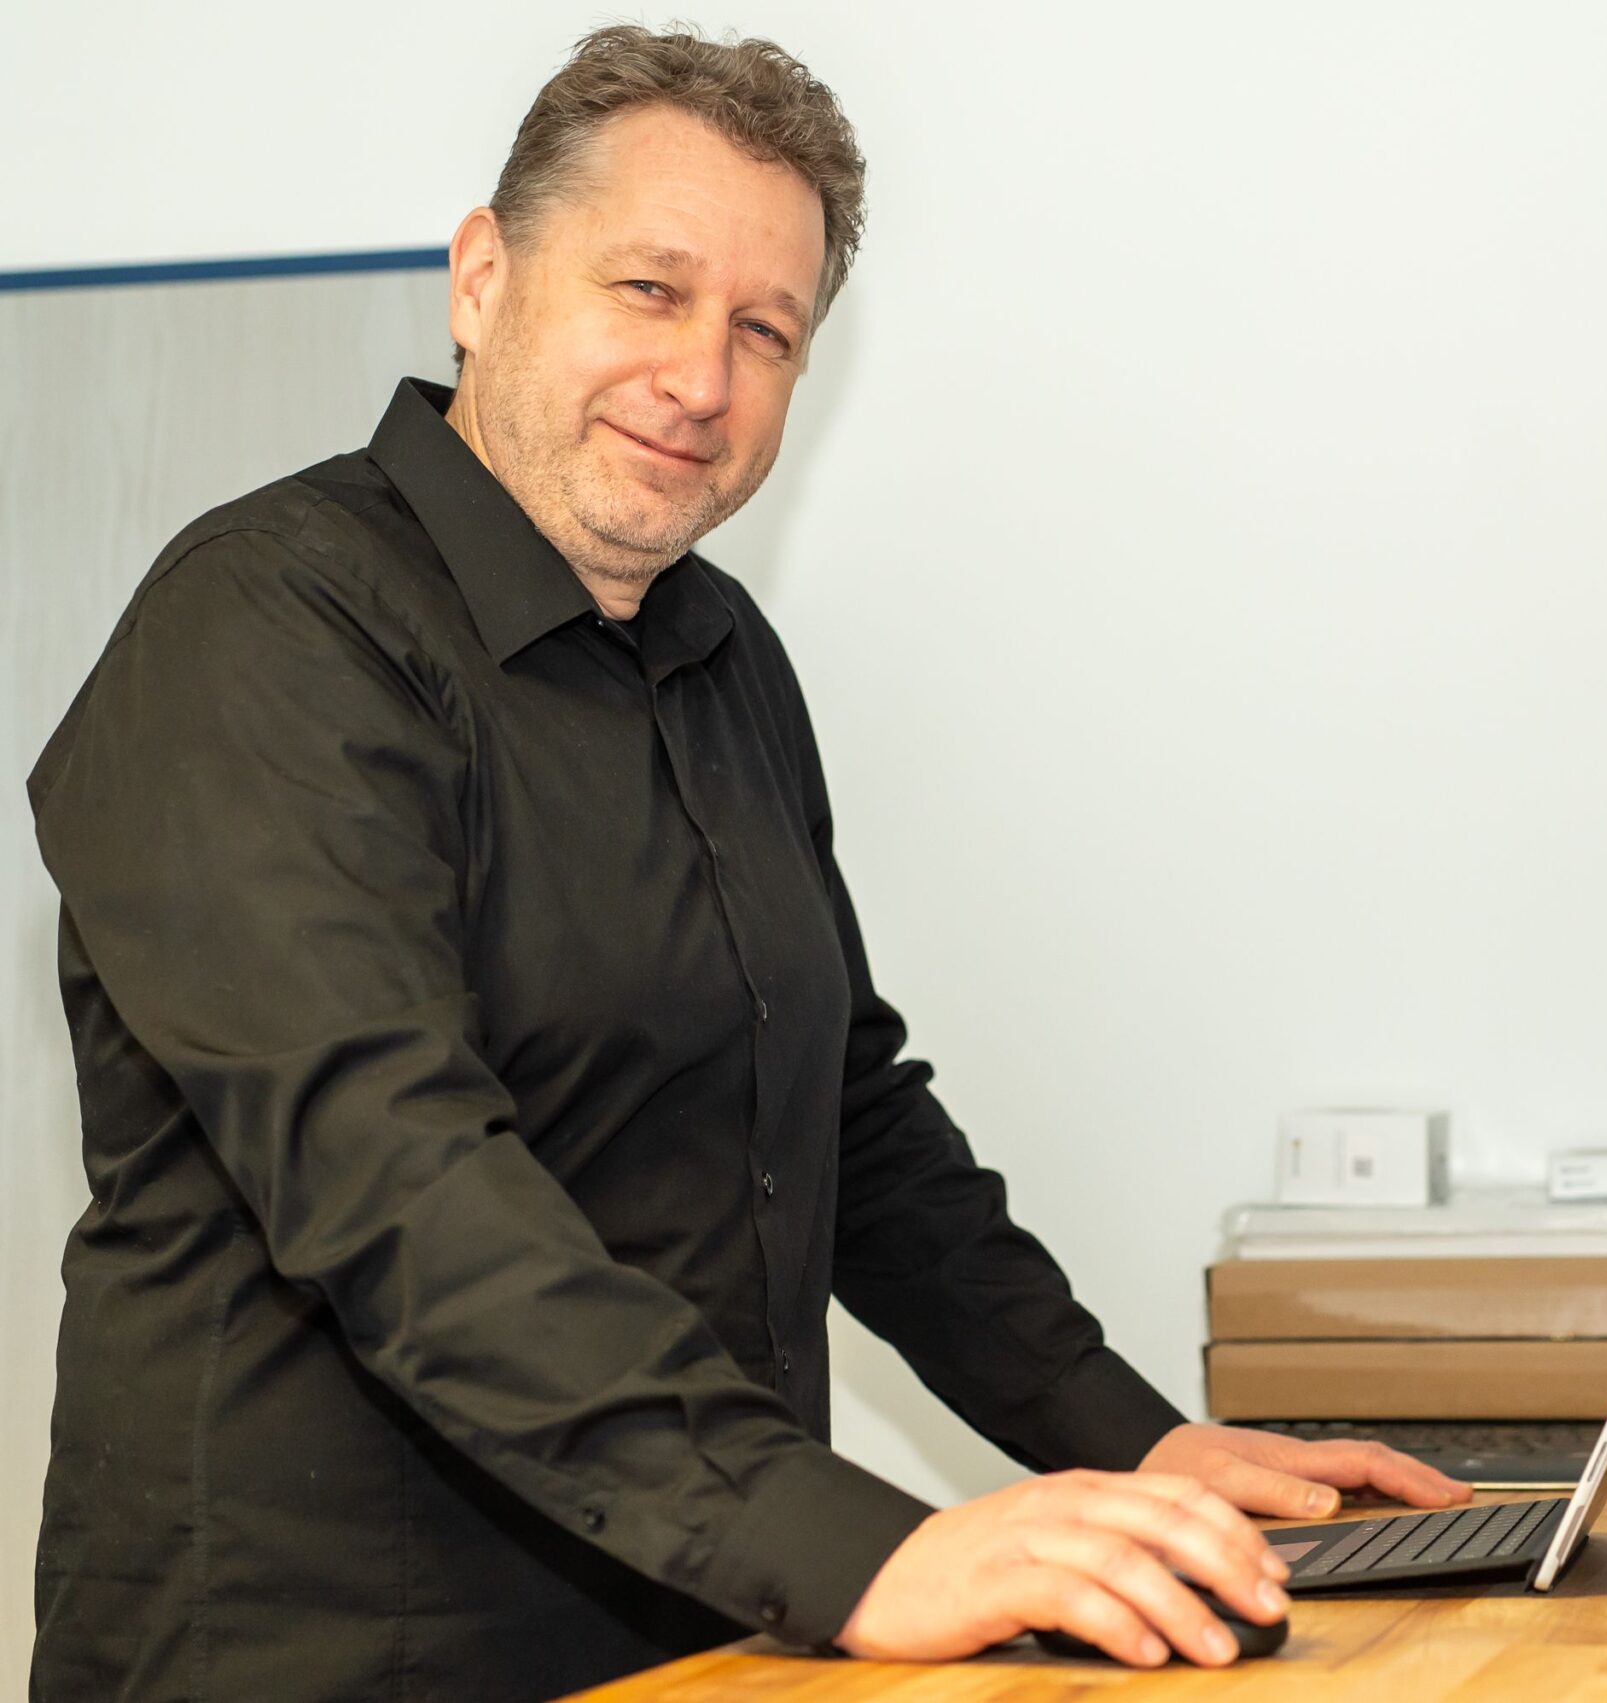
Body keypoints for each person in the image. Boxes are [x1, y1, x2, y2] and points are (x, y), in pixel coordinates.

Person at [25, 27, 1464, 1702]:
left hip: (705, 1635)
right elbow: (395, 1181)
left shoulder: (722, 657)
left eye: (763, 331)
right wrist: (862, 1550)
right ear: (483, 280)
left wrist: (1137, 1442)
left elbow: (848, 1119)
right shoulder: (262, 627)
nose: (701, 379)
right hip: (334, 1656)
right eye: (649, 290)